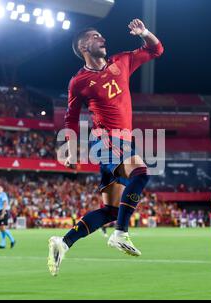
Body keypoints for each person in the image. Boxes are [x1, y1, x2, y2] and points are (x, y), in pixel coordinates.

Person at [47, 18, 164, 276]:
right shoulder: (78, 82)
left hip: (122, 141)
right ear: (84, 46)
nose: (102, 38)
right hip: (106, 140)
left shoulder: (122, 61)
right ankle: (120, 233)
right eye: (96, 36)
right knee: (141, 173)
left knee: (110, 209)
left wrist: (144, 33)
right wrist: (69, 147)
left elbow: (157, 49)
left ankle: (63, 243)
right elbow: (71, 117)